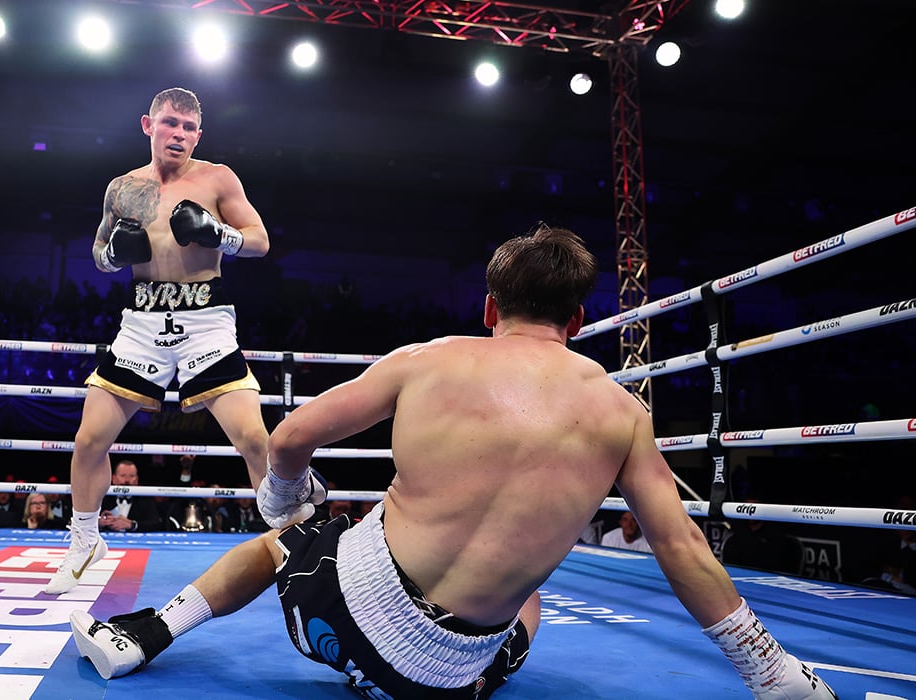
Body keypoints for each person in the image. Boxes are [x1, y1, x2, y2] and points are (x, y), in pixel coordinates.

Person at [69, 225, 837, 699]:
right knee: (528, 599)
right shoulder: (623, 413)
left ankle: (145, 634)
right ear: (578, 319)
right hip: (435, 683)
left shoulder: (429, 360)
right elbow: (681, 545)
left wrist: (284, 499)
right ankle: (776, 681)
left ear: (490, 308)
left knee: (286, 542)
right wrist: (768, 669)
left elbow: (292, 435)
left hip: (327, 614)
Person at [46, 87, 270, 594]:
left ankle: (288, 542)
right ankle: (85, 541)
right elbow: (98, 251)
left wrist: (220, 234)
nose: (179, 134)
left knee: (255, 439)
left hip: (205, 320)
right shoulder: (122, 188)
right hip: (143, 322)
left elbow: (260, 240)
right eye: (170, 123)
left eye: (189, 128)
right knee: (89, 440)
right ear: (149, 126)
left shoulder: (218, 178)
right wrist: (114, 254)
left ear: (198, 135)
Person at [98, 459, 163, 533]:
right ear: (114, 479)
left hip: (136, 540)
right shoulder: (103, 497)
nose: (127, 480)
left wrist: (133, 525)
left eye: (131, 476)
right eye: (123, 475)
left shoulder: (146, 499)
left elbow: (156, 524)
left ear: (137, 480)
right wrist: (100, 523)